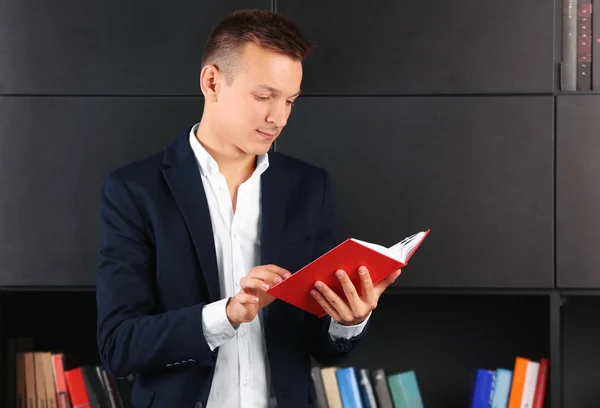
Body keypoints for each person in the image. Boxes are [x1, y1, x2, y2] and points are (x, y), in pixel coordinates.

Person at [95, 9, 401, 408]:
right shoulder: (134, 190)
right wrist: (227, 314)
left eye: (290, 100)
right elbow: (119, 347)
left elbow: (323, 349)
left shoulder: (310, 187)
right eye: (264, 96)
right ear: (212, 82)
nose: (279, 117)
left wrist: (348, 321)